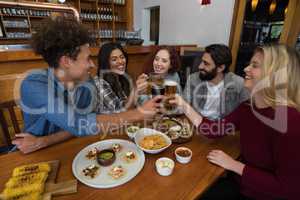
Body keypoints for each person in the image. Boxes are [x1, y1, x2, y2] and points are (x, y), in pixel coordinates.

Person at [12, 16, 162, 154]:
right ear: (67, 61)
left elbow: (82, 125)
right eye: (88, 58)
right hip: (32, 154)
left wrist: (44, 141)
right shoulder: (34, 84)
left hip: (67, 147)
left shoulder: (87, 83)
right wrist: (140, 113)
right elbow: (77, 124)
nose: (92, 64)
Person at [171, 44, 300, 199]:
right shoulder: (247, 108)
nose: (246, 69)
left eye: (255, 65)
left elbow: (290, 190)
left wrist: (234, 165)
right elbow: (213, 130)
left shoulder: (291, 122)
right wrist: (184, 105)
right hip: (241, 183)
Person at [183, 44, 249, 119]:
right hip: (197, 122)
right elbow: (184, 106)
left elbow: (245, 114)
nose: (200, 66)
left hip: (223, 126)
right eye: (202, 61)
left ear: (220, 68)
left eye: (206, 63)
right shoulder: (193, 79)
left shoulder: (239, 84)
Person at [94, 42, 135, 114]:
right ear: (106, 63)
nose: (120, 62)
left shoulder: (120, 78)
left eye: (122, 57)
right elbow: (119, 110)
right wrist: (136, 91)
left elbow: (126, 102)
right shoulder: (99, 82)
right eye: (114, 59)